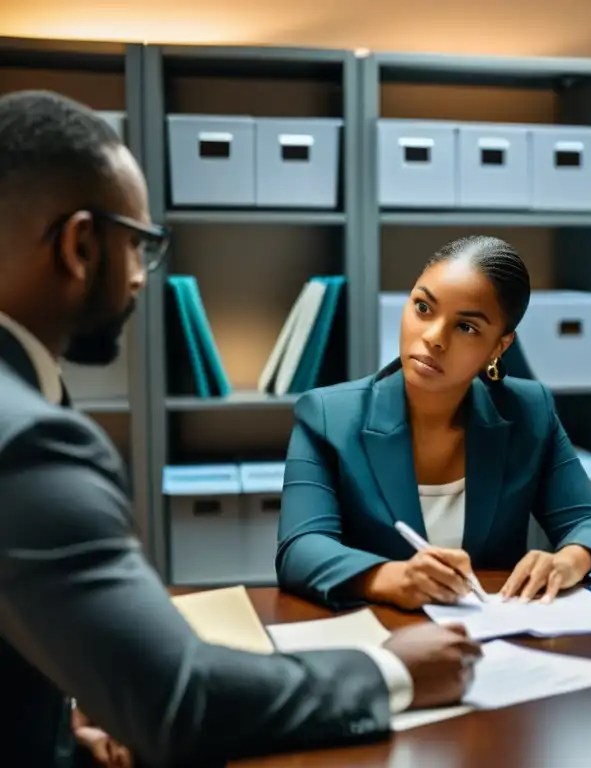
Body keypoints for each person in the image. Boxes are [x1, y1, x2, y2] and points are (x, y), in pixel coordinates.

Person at [0, 89, 481, 768]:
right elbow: (180, 701)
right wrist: (388, 672)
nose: (141, 276)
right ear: (81, 244)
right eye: (139, 244)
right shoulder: (26, 442)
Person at [276, 235, 591, 610]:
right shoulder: (327, 415)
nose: (433, 338)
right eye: (423, 307)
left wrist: (566, 561)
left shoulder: (530, 411)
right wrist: (390, 578)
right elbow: (301, 548)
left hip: (495, 637)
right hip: (379, 639)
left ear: (498, 347)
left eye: (466, 327)